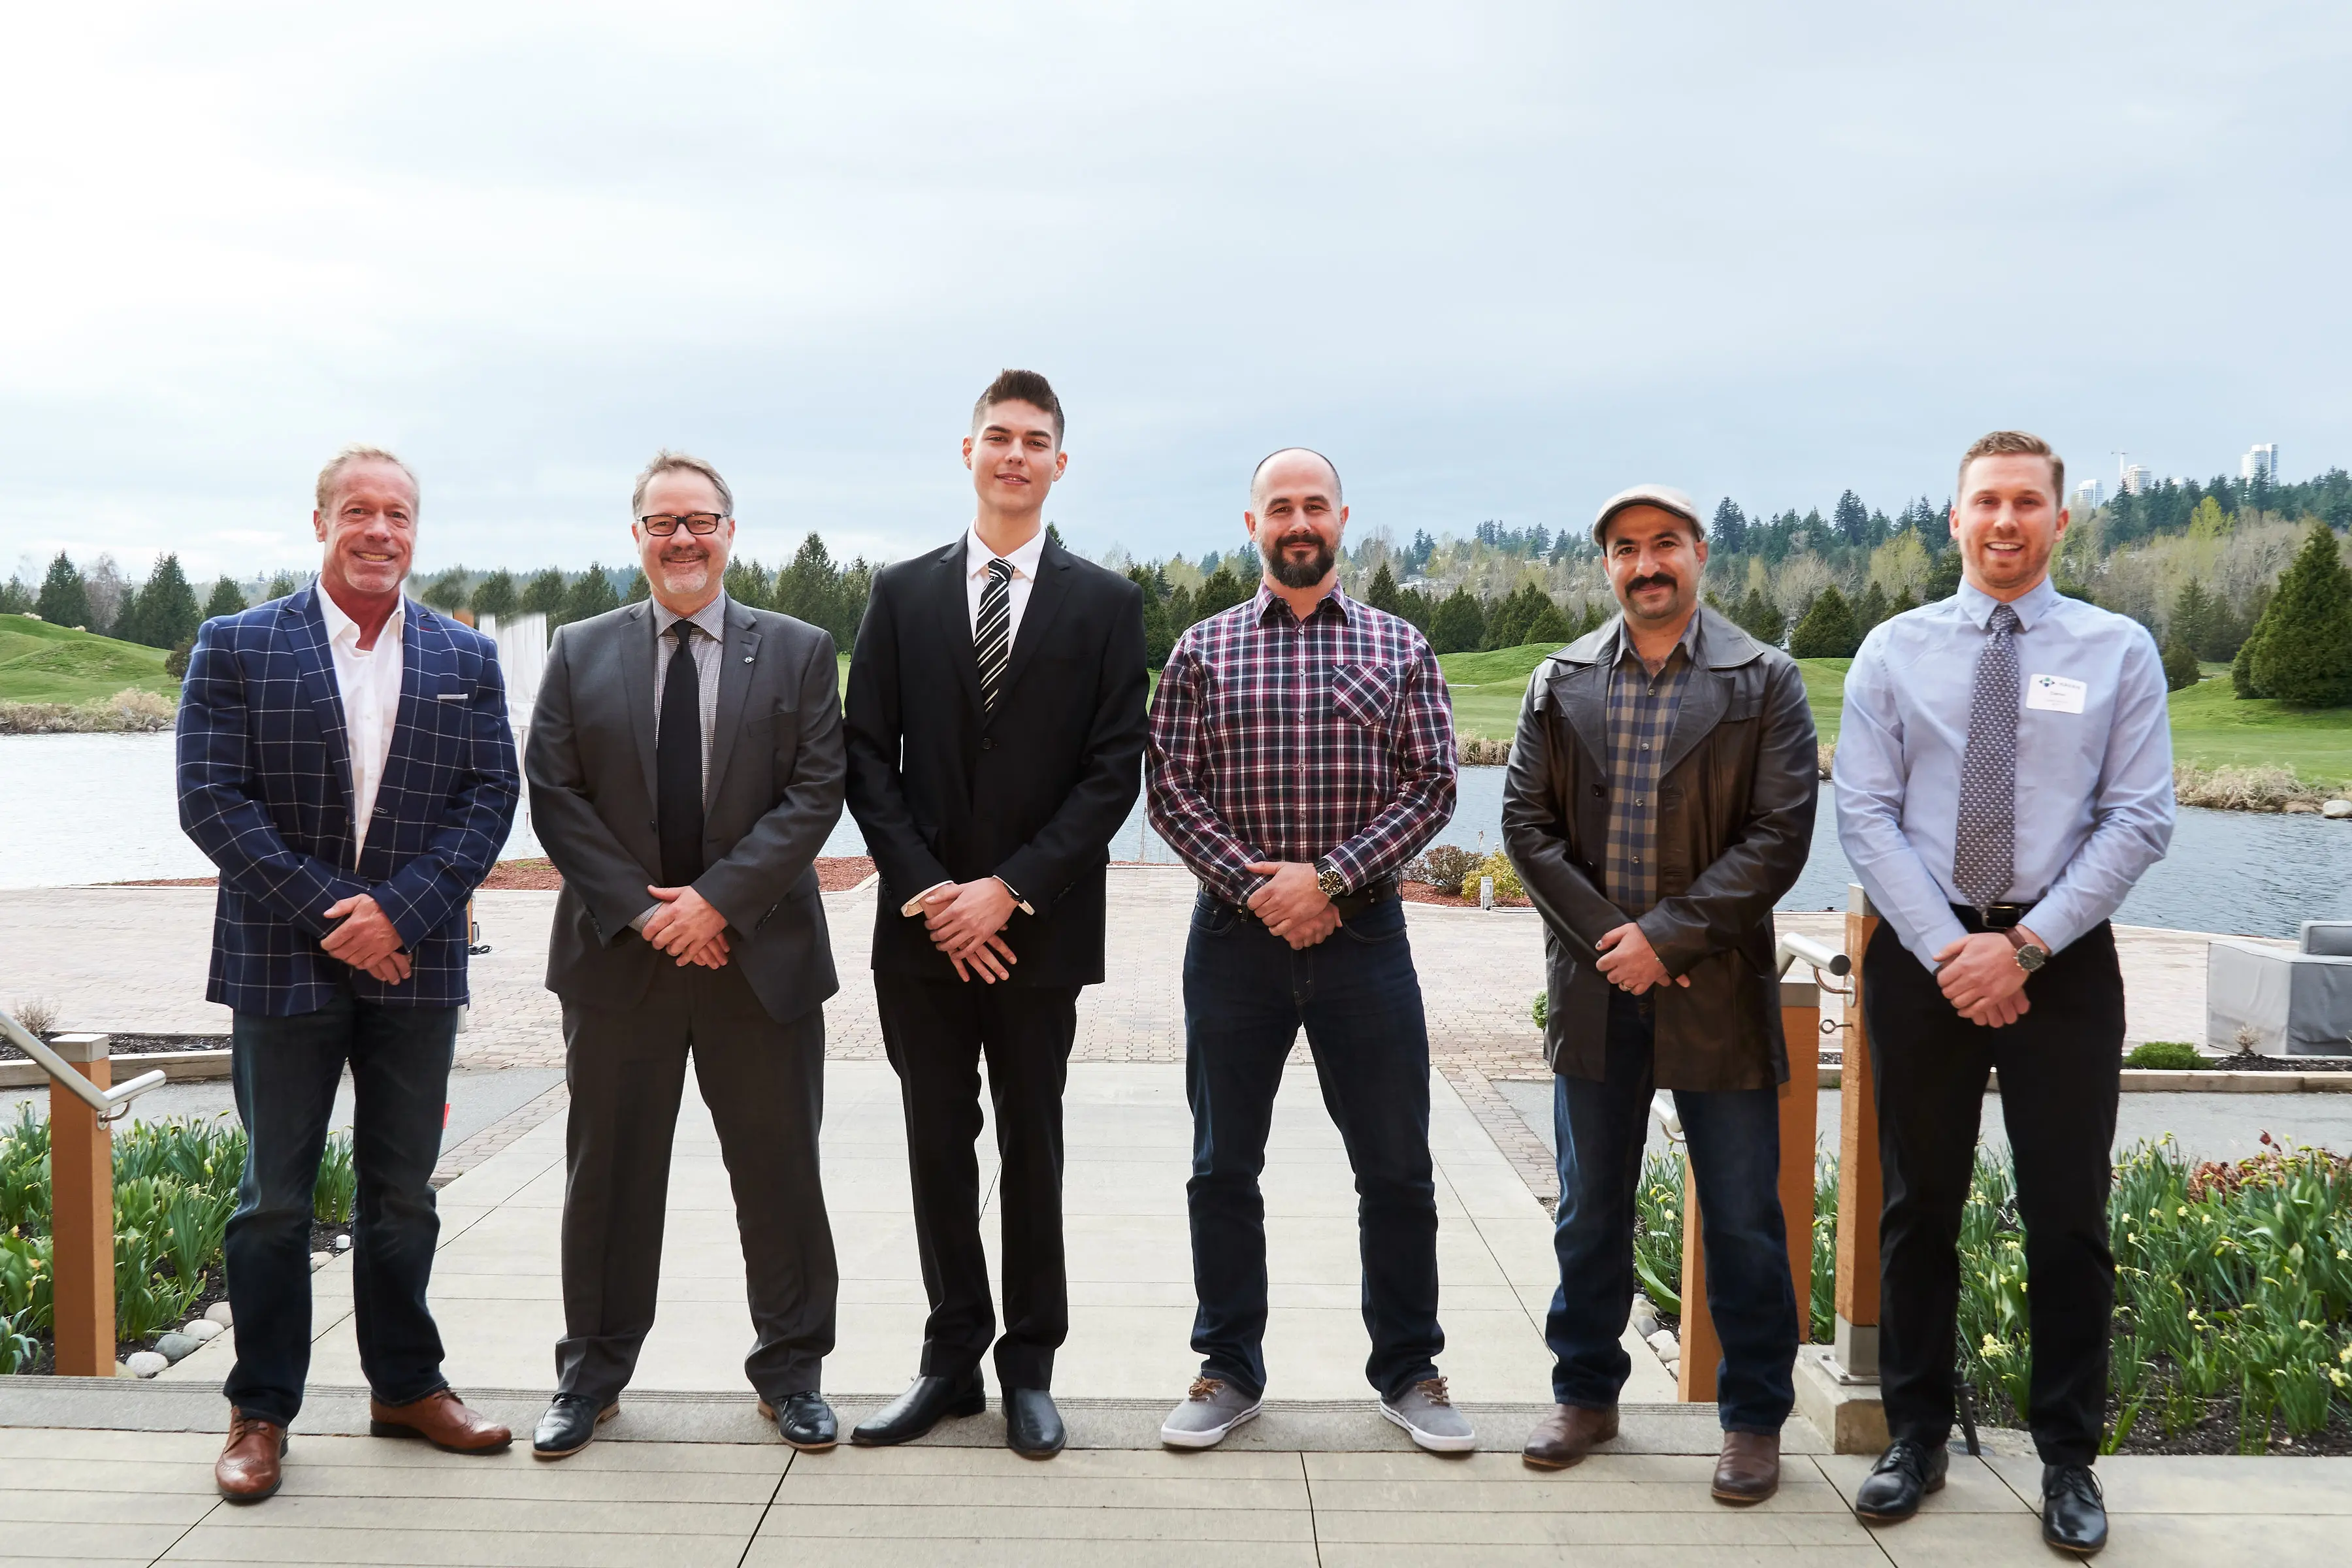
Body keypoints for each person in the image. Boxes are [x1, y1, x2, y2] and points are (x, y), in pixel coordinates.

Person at [1837, 431, 2173, 1556]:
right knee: (1915, 1206)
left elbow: (2139, 819)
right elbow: (1867, 818)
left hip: (2063, 962)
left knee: (2069, 1216)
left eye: (2028, 503)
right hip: (1926, 958)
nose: (2006, 522)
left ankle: (2069, 1458)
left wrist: (2022, 948)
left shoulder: (2118, 649)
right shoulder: (1894, 650)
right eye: (1986, 501)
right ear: (1955, 518)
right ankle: (1916, 1436)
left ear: (2060, 521)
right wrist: (1951, 951)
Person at [178, 446, 521, 1502]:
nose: (381, 531)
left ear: (418, 531)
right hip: (283, 957)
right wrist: (343, 918)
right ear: (320, 521)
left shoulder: (466, 657)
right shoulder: (236, 645)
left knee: (404, 1192)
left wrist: (402, 913)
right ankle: (260, 1411)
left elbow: (487, 801)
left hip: (417, 962)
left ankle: (406, 1387)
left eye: (401, 515)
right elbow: (212, 801)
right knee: (274, 1200)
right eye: (360, 512)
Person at [843, 370, 1148, 1459]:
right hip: (922, 937)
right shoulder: (901, 593)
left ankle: (1030, 1368)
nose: (1015, 455)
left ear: (1060, 463)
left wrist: (1009, 891)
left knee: (1034, 1143)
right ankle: (947, 1362)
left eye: (1036, 441)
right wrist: (935, 894)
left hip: (1039, 932)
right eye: (998, 437)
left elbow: (1112, 774)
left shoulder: (1107, 606)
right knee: (938, 1145)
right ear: (966, 452)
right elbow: (866, 758)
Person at [525, 451, 848, 1458]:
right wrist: (647, 911)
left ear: (729, 533)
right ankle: (592, 1377)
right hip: (621, 963)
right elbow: (556, 794)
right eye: (662, 523)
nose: (682, 540)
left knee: (781, 1174)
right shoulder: (580, 651)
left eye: (699, 521)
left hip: (759, 961)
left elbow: (814, 793)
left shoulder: (797, 650)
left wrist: (717, 903)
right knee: (609, 1180)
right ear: (637, 538)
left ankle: (791, 1374)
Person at [1146, 448, 1468, 1453]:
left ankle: (1410, 1371)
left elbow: (1435, 785)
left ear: (1341, 520)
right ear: (1252, 525)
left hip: (1364, 939)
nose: (1298, 521)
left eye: (1314, 506)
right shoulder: (1203, 650)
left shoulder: (1398, 645)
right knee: (1221, 1167)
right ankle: (1227, 1369)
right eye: (1279, 507)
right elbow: (1170, 794)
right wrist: (1261, 886)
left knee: (1396, 1167)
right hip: (1232, 943)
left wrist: (1325, 880)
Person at [1499, 485, 1817, 1502]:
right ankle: (1586, 1394)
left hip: (1715, 989)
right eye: (1627, 549)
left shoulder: (1766, 681)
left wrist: (1667, 938)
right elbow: (1525, 827)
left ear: (1700, 555)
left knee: (1741, 1216)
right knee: (1590, 1210)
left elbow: (1779, 838)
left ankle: (1755, 1416)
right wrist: (1611, 941)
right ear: (1605, 567)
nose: (1647, 564)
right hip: (1597, 989)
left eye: (1665, 545)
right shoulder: (1558, 682)